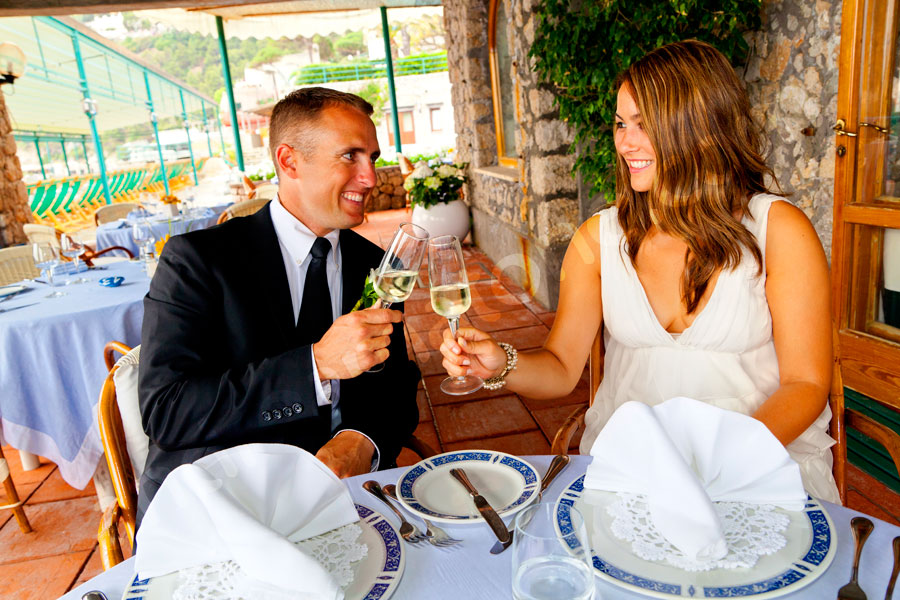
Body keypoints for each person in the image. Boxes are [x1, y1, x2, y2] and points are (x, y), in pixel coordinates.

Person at [439, 40, 840, 503]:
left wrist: (716, 465)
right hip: (630, 470)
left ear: (704, 128)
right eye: (620, 124)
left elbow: (806, 383)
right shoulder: (599, 239)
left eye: (644, 125)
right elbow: (562, 367)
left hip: (756, 463)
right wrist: (501, 364)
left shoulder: (778, 230)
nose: (625, 142)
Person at [137, 87, 421, 525]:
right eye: (350, 157)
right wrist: (316, 365)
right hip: (219, 507)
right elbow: (168, 411)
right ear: (289, 161)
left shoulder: (379, 266)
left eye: (373, 157)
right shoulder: (197, 261)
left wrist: (360, 440)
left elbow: (396, 385)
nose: (371, 178)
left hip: (340, 502)